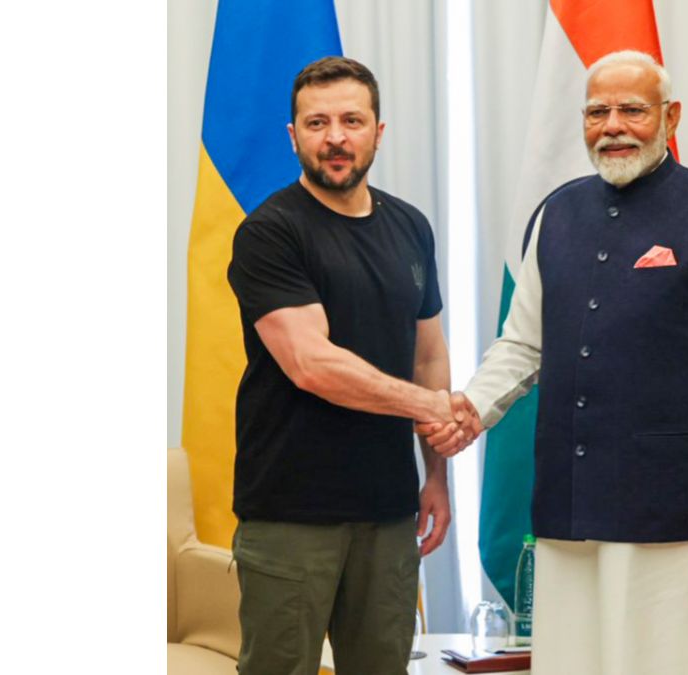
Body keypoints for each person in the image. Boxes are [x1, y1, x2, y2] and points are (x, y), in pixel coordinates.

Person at [420, 50, 688, 675]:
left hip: (679, 522)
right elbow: (521, 345)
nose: (612, 125)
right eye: (597, 111)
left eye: (632, 110)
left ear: (670, 118)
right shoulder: (556, 213)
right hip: (570, 514)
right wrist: (472, 409)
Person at [226, 56, 474, 675]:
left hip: (389, 512)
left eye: (351, 120)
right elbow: (313, 364)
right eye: (317, 123)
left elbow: (429, 353)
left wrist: (436, 475)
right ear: (293, 136)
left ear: (378, 131)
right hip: (290, 513)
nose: (335, 137)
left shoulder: (411, 227)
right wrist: (436, 408)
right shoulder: (269, 233)